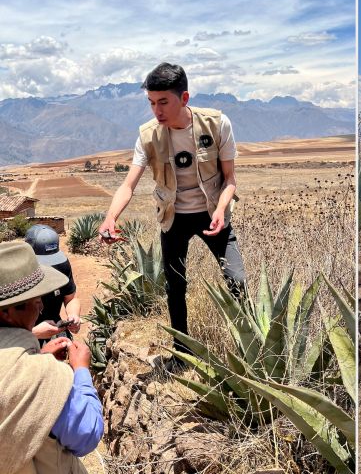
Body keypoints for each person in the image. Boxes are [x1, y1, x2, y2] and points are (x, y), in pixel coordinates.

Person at [98, 62, 246, 356]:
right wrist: (110, 217)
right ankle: (182, 352)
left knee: (237, 280)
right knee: (175, 287)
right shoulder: (148, 136)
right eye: (152, 103)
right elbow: (128, 185)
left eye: (163, 102)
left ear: (185, 98)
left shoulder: (217, 124)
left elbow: (230, 180)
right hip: (173, 218)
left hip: (212, 216)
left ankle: (249, 347)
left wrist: (220, 210)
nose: (157, 110)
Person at [0, 241, 104, 473]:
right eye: (34, 301)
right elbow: (86, 434)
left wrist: (39, 355)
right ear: (6, 313)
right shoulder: (41, 375)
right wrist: (81, 372)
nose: (40, 306)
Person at [25, 224, 82, 344]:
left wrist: (73, 315)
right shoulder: (12, 276)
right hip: (21, 338)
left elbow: (71, 298)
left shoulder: (61, 265)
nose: (49, 266)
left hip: (54, 329)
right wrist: (33, 333)